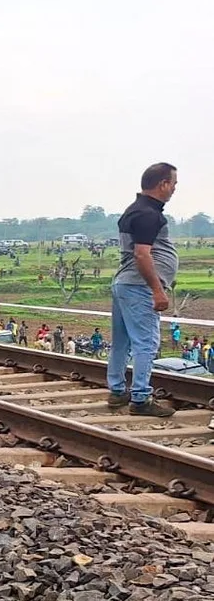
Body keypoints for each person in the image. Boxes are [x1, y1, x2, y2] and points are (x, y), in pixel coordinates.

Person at [108, 162, 180, 416]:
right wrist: (157, 290)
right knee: (146, 343)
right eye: (173, 184)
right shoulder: (149, 214)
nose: (174, 189)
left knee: (121, 342)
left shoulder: (133, 210)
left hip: (124, 283)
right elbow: (142, 255)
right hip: (139, 286)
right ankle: (140, 398)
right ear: (162, 184)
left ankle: (117, 392)